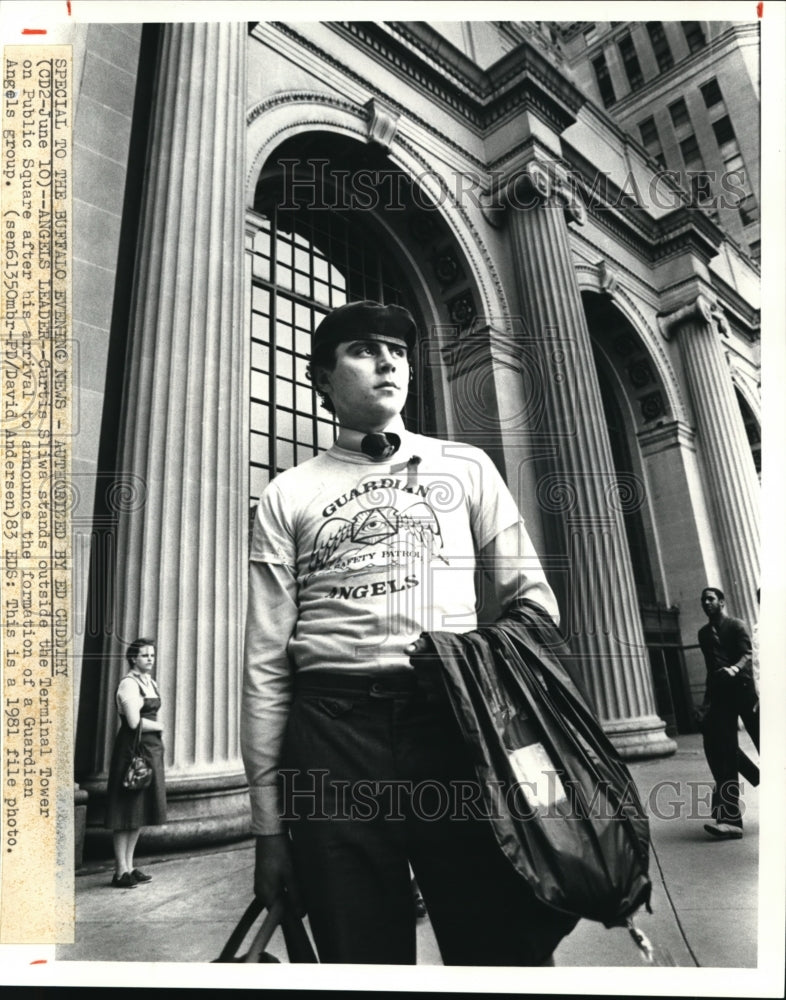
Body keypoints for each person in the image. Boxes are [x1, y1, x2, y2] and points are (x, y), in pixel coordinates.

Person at [241, 300, 577, 964]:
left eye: (396, 349)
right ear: (321, 377)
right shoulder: (285, 495)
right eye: (363, 349)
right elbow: (265, 663)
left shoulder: (467, 467)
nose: (388, 359)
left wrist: (469, 672)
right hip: (331, 741)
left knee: (500, 948)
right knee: (359, 954)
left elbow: (534, 607)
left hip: (453, 728)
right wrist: (269, 829)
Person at [696, 587, 759, 840]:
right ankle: (730, 820)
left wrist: (734, 669)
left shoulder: (736, 625)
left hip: (745, 693)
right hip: (721, 696)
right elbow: (712, 670)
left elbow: (748, 653)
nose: (706, 603)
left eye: (710, 599)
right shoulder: (703, 634)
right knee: (722, 751)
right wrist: (706, 703)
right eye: (703, 600)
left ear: (721, 602)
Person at [105, 637, 167, 887]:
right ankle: (120, 871)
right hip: (133, 750)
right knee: (126, 810)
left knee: (138, 810)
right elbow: (133, 722)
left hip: (150, 750)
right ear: (133, 658)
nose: (150, 659)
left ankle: (130, 866)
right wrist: (161, 726)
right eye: (144, 655)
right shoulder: (128, 684)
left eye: (152, 654)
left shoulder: (149, 682)